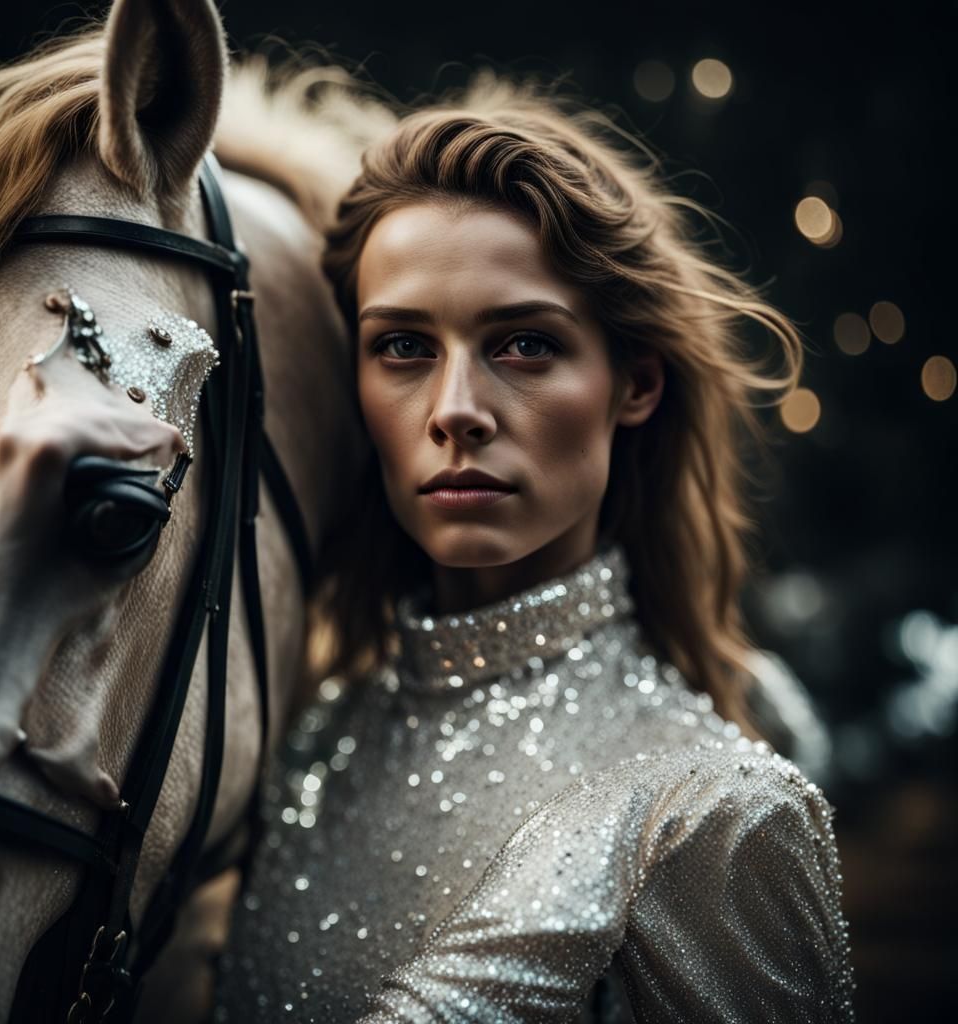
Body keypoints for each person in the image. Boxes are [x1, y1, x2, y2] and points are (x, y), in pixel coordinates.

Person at [213, 78, 855, 1022]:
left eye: (522, 344)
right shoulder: (306, 747)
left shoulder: (714, 814)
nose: (456, 410)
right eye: (402, 347)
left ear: (634, 384)